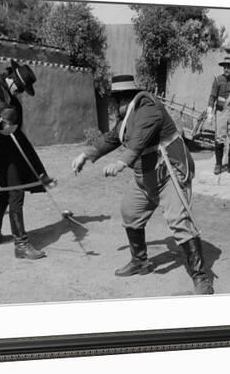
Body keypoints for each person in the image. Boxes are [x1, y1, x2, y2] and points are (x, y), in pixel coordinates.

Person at [71, 75, 214, 295]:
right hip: (145, 175)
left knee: (179, 221)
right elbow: (112, 138)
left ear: (124, 98)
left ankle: (201, 276)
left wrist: (120, 162)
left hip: (169, 172)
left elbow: (138, 140)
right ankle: (140, 261)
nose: (113, 105)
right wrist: (85, 154)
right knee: (130, 212)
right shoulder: (127, 116)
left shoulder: (149, 108)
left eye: (115, 100)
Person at [0, 60, 53, 260]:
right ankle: (21, 245)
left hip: (8, 149)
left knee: (7, 190)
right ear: (13, 80)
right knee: (15, 192)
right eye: (20, 88)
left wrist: (40, 172)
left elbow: (18, 133)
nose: (20, 92)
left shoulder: (13, 100)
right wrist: (3, 113)